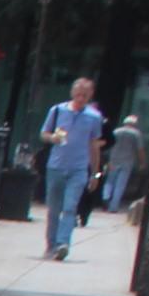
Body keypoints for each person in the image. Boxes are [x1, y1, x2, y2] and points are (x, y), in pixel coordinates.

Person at [37, 77, 106, 259]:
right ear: (72, 93)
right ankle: (51, 245)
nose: (81, 98)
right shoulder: (57, 111)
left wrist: (95, 174)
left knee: (70, 207)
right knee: (53, 209)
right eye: (78, 94)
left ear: (90, 95)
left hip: (78, 169)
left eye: (85, 95)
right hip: (56, 166)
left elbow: (94, 146)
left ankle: (63, 244)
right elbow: (43, 134)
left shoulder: (94, 117)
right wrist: (52, 138)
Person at [104, 115, 148, 214]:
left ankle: (105, 197)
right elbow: (140, 149)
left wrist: (107, 160)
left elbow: (108, 146)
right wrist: (142, 162)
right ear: (135, 124)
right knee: (120, 184)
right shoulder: (136, 134)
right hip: (127, 161)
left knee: (109, 181)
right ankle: (113, 207)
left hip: (113, 160)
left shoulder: (116, 131)